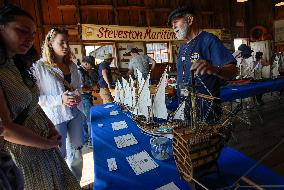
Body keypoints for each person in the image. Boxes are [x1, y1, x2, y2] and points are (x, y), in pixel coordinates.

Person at [0, 5, 80, 189]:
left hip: (47, 135)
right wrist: (45, 143)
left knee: (69, 164)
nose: (29, 38)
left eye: (33, 33)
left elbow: (33, 103)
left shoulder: (19, 65)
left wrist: (49, 130)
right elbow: (5, 128)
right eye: (22, 31)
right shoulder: (39, 67)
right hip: (26, 149)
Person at [168, 6, 238, 123]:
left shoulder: (208, 40)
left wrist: (214, 69)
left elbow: (233, 71)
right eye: (172, 25)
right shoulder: (182, 48)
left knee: (208, 141)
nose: (173, 27)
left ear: (189, 20)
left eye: (175, 22)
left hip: (206, 111)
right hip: (184, 108)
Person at [33, 27, 84, 181]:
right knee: (58, 155)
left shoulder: (73, 66)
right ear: (50, 43)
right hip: (56, 116)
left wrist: (77, 95)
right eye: (61, 42)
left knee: (77, 151)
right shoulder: (39, 67)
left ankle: (75, 183)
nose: (66, 46)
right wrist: (59, 100)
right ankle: (61, 184)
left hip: (75, 113)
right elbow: (36, 97)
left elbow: (78, 88)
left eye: (67, 42)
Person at [78, 55, 97, 146]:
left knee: (85, 119)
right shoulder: (79, 72)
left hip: (85, 97)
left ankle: (86, 139)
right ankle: (91, 141)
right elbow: (80, 89)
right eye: (91, 65)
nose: (91, 68)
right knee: (89, 119)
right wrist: (92, 87)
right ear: (86, 63)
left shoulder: (84, 71)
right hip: (84, 97)